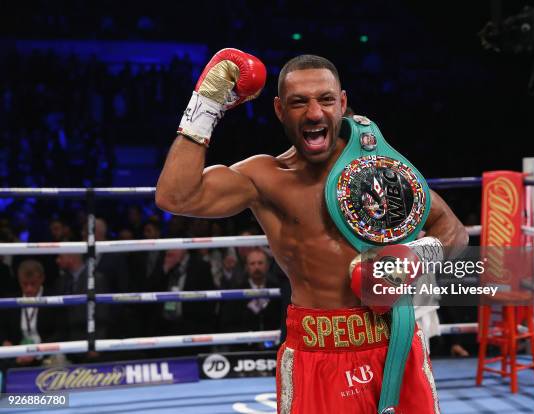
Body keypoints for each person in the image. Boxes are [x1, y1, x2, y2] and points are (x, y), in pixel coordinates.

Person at [156, 50, 467, 414]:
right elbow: (175, 195)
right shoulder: (266, 178)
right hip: (317, 353)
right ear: (279, 110)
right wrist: (206, 104)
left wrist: (415, 255)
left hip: (392, 341)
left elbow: (454, 232)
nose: (315, 113)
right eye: (299, 102)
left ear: (343, 103)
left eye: (326, 100)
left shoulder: (375, 168)